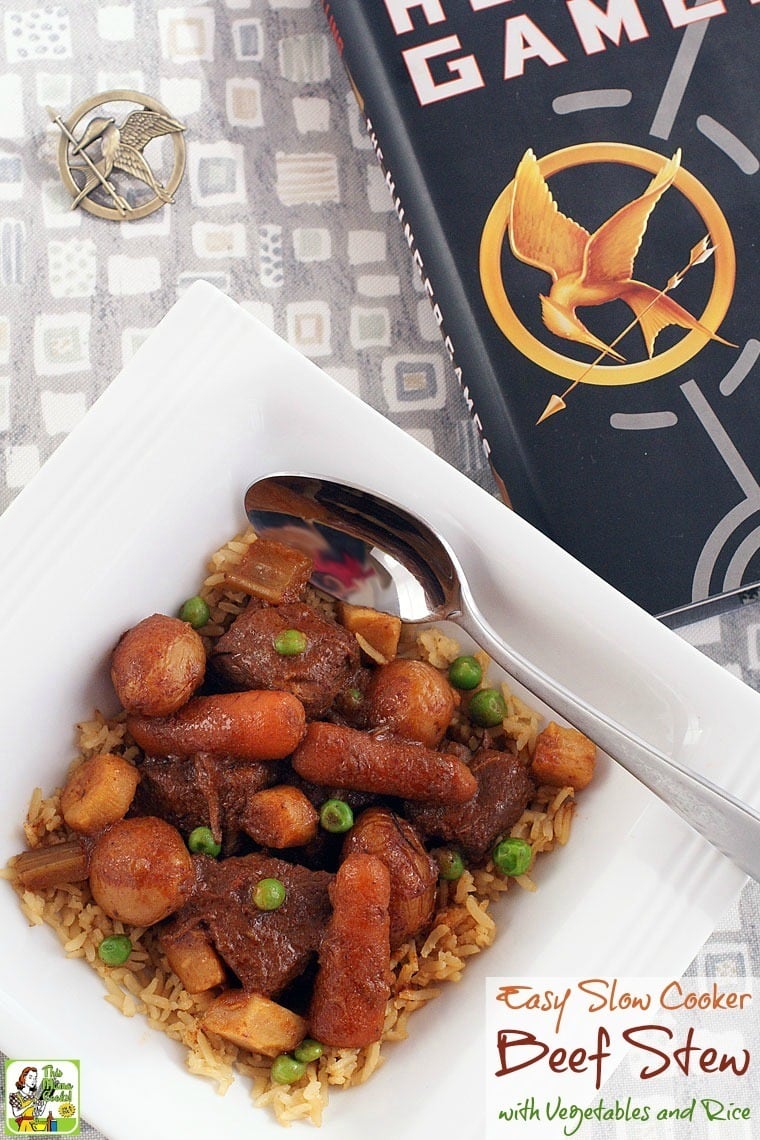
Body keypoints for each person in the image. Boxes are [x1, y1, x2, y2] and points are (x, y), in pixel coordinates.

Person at [8, 1067, 48, 1133]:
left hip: (34, 1125)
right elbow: (16, 1113)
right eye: (30, 1077)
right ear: (24, 1077)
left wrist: (45, 1102)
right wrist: (29, 1106)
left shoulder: (35, 1095)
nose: (33, 1080)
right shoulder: (15, 1096)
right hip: (24, 1126)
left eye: (35, 1078)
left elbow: (39, 1113)